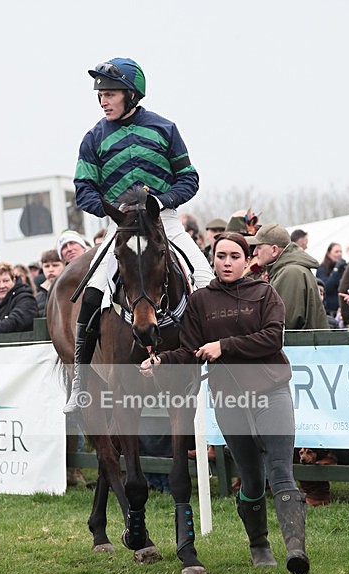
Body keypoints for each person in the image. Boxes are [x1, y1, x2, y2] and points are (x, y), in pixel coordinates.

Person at [140, 232, 310, 574]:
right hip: (229, 399)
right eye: (221, 256)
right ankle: (259, 545)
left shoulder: (265, 293)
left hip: (272, 392)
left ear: (248, 261)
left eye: (235, 256)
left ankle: (295, 550)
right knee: (249, 478)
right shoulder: (201, 301)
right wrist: (160, 361)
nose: (227, 262)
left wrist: (224, 346)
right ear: (213, 260)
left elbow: (271, 338)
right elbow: (189, 350)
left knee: (280, 471)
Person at [66, 57, 214, 412]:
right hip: (121, 225)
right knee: (93, 292)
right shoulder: (93, 138)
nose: (103, 100)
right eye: (100, 94)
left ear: (131, 95)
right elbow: (83, 189)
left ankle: (216, 368)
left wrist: (162, 200)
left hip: (165, 220)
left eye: (110, 93)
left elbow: (188, 178)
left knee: (207, 279)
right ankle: (79, 380)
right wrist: (115, 211)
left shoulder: (165, 128)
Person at [252, 223, 329, 330]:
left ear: (274, 250)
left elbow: (283, 324)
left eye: (258, 247)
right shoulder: (288, 270)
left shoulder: (290, 273)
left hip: (299, 345)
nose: (254, 252)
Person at [316, 242, 346, 316]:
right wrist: (336, 270)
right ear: (329, 254)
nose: (339, 254)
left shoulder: (343, 269)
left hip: (341, 310)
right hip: (329, 311)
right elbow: (326, 287)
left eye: (340, 251)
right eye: (336, 252)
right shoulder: (322, 268)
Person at [36, 249, 65, 315]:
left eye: (55, 265)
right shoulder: (38, 297)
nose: (51, 270)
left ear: (64, 265)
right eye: (46, 266)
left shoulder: (73, 290)